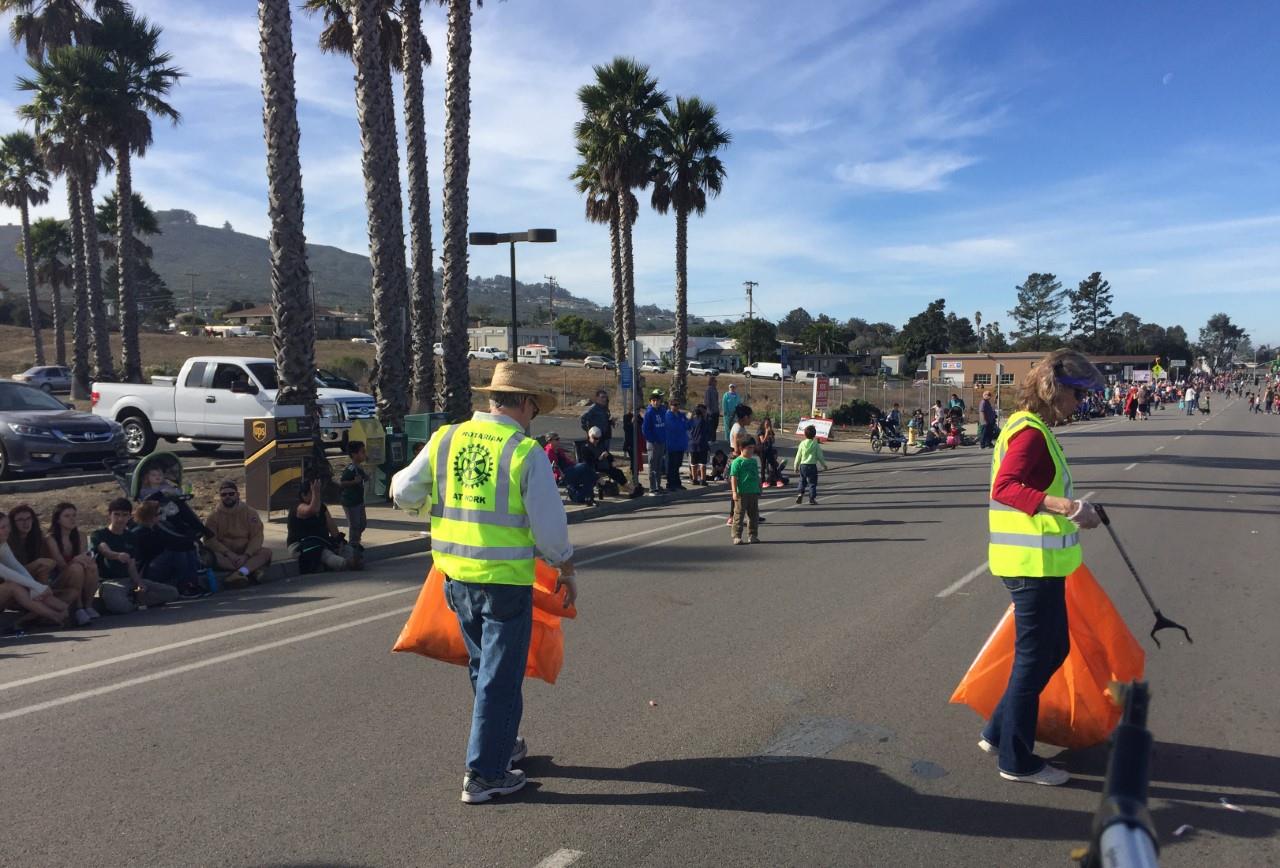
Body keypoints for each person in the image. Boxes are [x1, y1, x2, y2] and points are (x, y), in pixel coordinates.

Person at [390, 362, 577, 804]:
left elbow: (402, 492)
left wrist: (431, 509)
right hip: (505, 584)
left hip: (454, 579)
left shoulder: (446, 438)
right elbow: (550, 530)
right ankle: (485, 774)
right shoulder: (523, 451)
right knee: (500, 675)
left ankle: (502, 744)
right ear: (526, 403)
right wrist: (565, 569)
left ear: (492, 398)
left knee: (484, 669)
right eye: (535, 407)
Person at [981, 348, 1104, 786]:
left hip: (1039, 563)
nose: (1079, 404)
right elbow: (1006, 487)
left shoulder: (1033, 428)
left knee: (1051, 652)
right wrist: (1068, 506)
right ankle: (1016, 759)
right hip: (1029, 565)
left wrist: (1078, 509)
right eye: (1077, 395)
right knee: (1036, 660)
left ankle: (998, 732)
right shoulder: (1031, 433)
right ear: (1056, 391)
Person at [92, 498, 179, 614]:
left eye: (124, 515)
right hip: (110, 581)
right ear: (109, 515)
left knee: (172, 593)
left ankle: (136, 599)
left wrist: (139, 583)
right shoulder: (99, 534)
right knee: (122, 607)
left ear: (129, 516)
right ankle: (131, 602)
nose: (120, 519)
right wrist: (117, 555)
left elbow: (132, 564)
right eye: (116, 514)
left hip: (128, 580)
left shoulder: (131, 536)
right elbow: (104, 550)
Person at [0, 512, 69, 627]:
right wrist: (37, 586)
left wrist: (35, 587)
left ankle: (63, 609)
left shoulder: (2, 544)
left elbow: (17, 567)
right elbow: (5, 572)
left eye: (8, 526)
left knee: (25, 584)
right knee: (13, 585)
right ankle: (55, 616)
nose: (8, 530)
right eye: (2, 527)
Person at [203, 479, 273, 585]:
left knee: (266, 552)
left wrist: (246, 555)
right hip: (226, 556)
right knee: (210, 556)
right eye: (224, 494)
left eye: (231, 493)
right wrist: (229, 554)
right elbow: (210, 540)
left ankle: (239, 573)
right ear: (220, 497)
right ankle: (248, 571)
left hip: (245, 554)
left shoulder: (250, 512)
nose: (227, 497)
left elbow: (257, 536)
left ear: (238, 494)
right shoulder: (213, 517)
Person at [131, 501, 205, 598]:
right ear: (150, 516)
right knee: (176, 552)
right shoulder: (140, 533)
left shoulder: (156, 528)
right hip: (146, 570)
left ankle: (191, 583)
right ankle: (183, 587)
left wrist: (191, 541)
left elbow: (173, 539)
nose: (161, 516)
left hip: (158, 564)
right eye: (158, 514)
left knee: (188, 548)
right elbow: (154, 550)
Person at [45, 502, 100, 625]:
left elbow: (84, 558)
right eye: (67, 516)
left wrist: (86, 561)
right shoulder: (51, 539)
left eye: (74, 515)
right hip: (58, 579)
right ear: (58, 520)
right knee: (76, 568)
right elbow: (61, 565)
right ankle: (79, 608)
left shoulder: (81, 536)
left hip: (78, 571)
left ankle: (88, 606)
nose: (72, 519)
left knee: (92, 567)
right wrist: (76, 560)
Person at [287, 476, 354, 573]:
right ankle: (345, 564)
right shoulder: (298, 507)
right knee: (324, 553)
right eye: (313, 494)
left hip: (322, 541)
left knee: (348, 550)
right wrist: (316, 492)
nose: (318, 496)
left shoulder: (322, 507)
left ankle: (348, 560)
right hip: (301, 545)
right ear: (304, 495)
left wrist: (339, 542)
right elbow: (312, 510)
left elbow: (333, 529)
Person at [8, 504, 56, 585]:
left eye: (28, 518)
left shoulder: (37, 537)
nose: (26, 522)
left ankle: (44, 593)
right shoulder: (7, 541)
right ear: (13, 523)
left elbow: (52, 561)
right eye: (20, 520)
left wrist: (47, 564)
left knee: (43, 569)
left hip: (34, 576)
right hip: (13, 581)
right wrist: (37, 563)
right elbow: (12, 572)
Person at [339, 440, 371, 565]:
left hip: (359, 500)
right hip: (350, 501)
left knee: (362, 523)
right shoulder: (351, 469)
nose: (364, 454)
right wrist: (354, 482)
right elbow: (342, 483)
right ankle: (353, 546)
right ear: (354, 454)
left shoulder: (359, 468)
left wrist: (366, 477)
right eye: (362, 452)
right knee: (355, 524)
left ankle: (356, 540)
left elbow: (363, 477)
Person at [729, 435, 761, 545]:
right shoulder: (737, 462)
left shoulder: (753, 461)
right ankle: (737, 536)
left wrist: (759, 486)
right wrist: (734, 492)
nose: (752, 450)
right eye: (749, 448)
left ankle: (752, 535)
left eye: (753, 448)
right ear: (742, 448)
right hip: (741, 493)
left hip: (753, 491)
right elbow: (734, 477)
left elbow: (756, 475)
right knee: (739, 515)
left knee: (754, 515)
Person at [581, 426, 626, 492]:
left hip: (604, 466)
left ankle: (629, 488)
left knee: (618, 473)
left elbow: (608, 454)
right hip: (595, 467)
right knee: (606, 476)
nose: (597, 440)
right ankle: (628, 489)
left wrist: (611, 459)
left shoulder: (600, 445)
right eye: (595, 438)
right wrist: (600, 458)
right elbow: (588, 462)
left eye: (598, 438)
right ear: (590, 436)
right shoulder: (586, 447)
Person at [794, 424, 829, 505]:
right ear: (814, 435)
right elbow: (820, 456)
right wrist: (824, 465)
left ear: (805, 434)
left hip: (803, 465)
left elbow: (798, 455)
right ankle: (812, 498)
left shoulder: (802, 444)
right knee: (812, 483)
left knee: (802, 480)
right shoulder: (815, 444)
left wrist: (795, 466)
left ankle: (800, 493)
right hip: (812, 465)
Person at [641, 390, 668, 495]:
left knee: (658, 465)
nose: (656, 402)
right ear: (650, 401)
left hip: (662, 442)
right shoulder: (649, 413)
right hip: (653, 443)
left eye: (657, 400)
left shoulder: (662, 411)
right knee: (652, 465)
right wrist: (653, 440)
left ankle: (658, 485)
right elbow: (645, 430)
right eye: (653, 400)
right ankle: (652, 488)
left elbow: (665, 425)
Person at [664, 397, 689, 491]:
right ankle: (671, 483)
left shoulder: (681, 415)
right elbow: (675, 427)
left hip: (680, 444)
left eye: (678, 404)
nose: (677, 406)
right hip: (672, 444)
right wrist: (684, 422)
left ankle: (677, 483)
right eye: (674, 404)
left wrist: (690, 418)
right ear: (670, 405)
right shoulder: (668, 415)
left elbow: (689, 426)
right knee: (672, 465)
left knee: (678, 464)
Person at [688, 404, 711, 486]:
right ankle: (703, 479)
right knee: (702, 463)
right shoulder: (704, 422)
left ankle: (694, 479)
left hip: (692, 444)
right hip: (702, 443)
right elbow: (708, 432)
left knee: (693, 463)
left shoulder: (691, 421)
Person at [757, 417, 783, 487]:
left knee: (773, 464)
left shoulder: (770, 431)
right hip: (762, 450)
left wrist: (771, 434)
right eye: (766, 424)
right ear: (763, 424)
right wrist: (766, 433)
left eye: (769, 424)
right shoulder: (760, 431)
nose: (768, 425)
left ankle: (778, 480)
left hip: (769, 449)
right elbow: (762, 441)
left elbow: (773, 441)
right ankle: (763, 481)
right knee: (763, 465)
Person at [704, 374, 720, 444]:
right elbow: (707, 401)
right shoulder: (708, 390)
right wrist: (708, 411)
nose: (716, 382)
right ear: (711, 382)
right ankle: (709, 439)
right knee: (710, 426)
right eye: (715, 381)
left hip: (716, 410)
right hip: (710, 411)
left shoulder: (715, 389)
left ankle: (714, 439)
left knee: (715, 425)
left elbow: (716, 400)